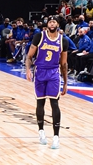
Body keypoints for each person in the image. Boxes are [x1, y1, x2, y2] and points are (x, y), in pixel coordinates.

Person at [24, 16, 68, 148]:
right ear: (47, 24)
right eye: (50, 22)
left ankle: (56, 137)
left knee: (54, 103)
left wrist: (65, 82)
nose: (52, 23)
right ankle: (41, 131)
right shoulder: (39, 37)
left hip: (54, 72)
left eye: (54, 21)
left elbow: (64, 63)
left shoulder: (63, 41)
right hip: (40, 72)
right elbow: (29, 56)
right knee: (40, 102)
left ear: (58, 24)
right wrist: (28, 69)